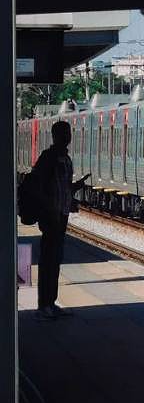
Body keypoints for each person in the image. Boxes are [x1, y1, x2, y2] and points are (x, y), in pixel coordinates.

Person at [32, 121, 89, 319]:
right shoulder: (48, 158)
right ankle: (43, 305)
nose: (68, 136)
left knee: (55, 261)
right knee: (48, 260)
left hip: (61, 215)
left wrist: (76, 187)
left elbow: (63, 187)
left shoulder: (65, 158)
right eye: (65, 133)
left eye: (69, 133)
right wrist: (48, 208)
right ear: (55, 135)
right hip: (51, 216)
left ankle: (51, 302)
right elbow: (39, 186)